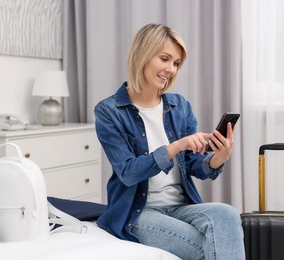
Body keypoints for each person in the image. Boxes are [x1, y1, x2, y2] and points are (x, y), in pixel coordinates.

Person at [94, 23, 245, 260]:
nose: (171, 69)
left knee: (227, 214)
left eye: (176, 63)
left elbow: (194, 164)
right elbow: (127, 172)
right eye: (164, 59)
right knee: (205, 245)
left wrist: (217, 159)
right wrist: (176, 146)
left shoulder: (179, 106)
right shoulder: (109, 111)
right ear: (142, 54)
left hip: (181, 206)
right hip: (138, 212)